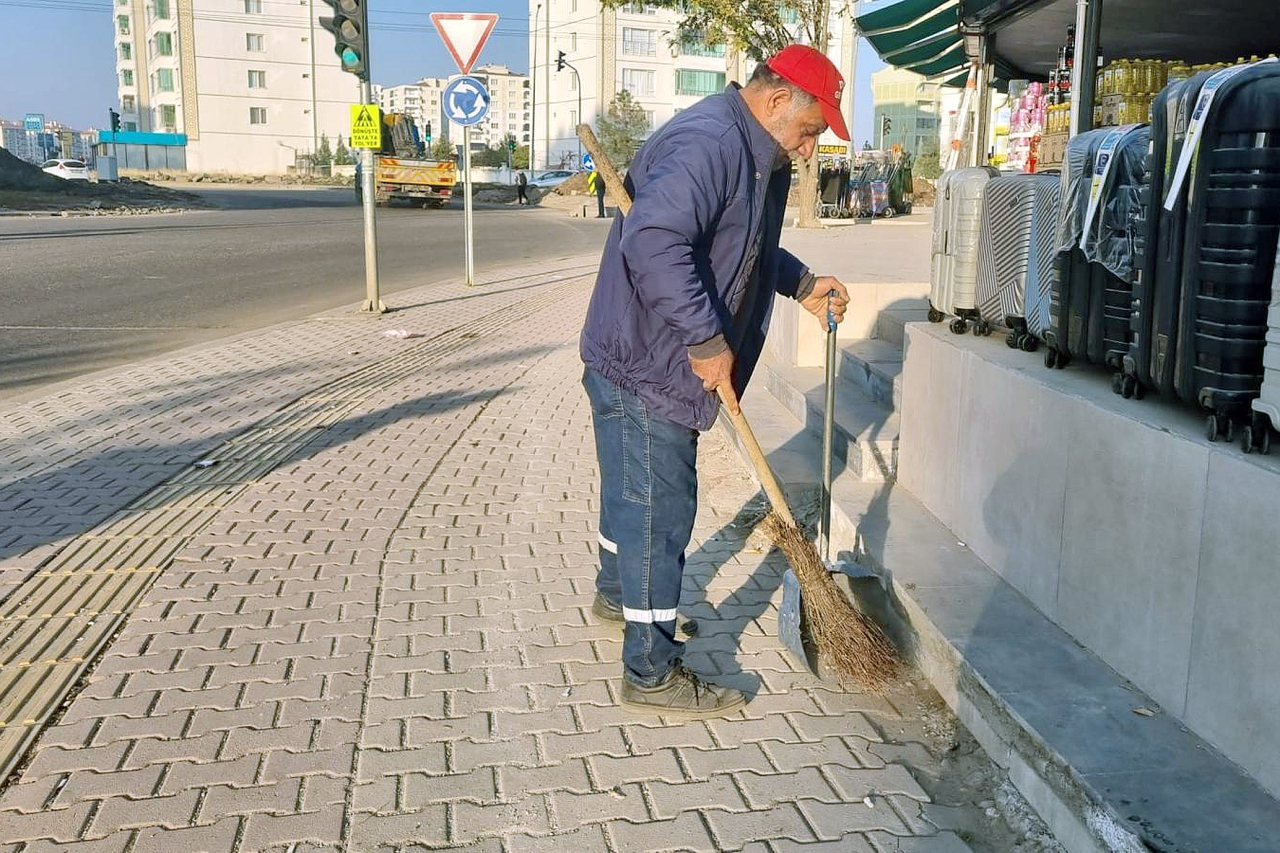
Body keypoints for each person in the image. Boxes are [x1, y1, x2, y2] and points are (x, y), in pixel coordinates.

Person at [579, 44, 852, 718]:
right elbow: (655, 243)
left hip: (630, 347)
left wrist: (802, 284)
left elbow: (738, 244)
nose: (811, 148)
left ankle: (620, 596)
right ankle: (649, 669)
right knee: (659, 509)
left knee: (630, 492)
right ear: (777, 100)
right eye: (811, 130)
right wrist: (706, 340)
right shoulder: (713, 143)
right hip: (653, 358)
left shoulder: (750, 146)